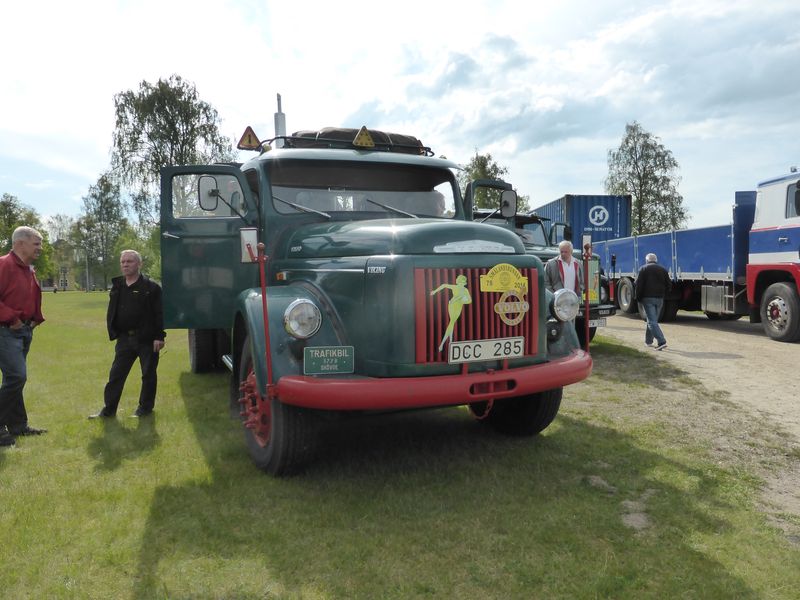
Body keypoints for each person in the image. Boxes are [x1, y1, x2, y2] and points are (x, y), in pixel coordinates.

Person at [89, 250, 165, 419]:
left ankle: (145, 409)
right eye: (123, 262)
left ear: (139, 264)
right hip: (124, 339)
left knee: (148, 375)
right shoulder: (118, 286)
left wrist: (159, 336)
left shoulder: (151, 288)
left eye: (129, 261)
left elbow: (159, 313)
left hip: (147, 339)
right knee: (116, 375)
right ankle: (108, 410)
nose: (125, 264)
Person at [0, 226, 47, 447]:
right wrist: (12, 319)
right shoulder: (4, 265)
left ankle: (18, 425)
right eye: (36, 243)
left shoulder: (29, 269)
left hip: (24, 331)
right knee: (16, 377)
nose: (40, 248)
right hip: (6, 330)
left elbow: (32, 295)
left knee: (14, 380)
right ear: (20, 243)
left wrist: (36, 317)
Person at [635, 253, 671, 350]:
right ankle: (648, 341)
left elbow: (639, 285)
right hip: (660, 299)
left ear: (647, 260)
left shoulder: (643, 269)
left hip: (647, 298)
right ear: (656, 260)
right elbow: (669, 285)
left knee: (651, 322)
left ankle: (661, 341)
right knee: (652, 320)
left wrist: (638, 298)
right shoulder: (663, 269)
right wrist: (663, 294)